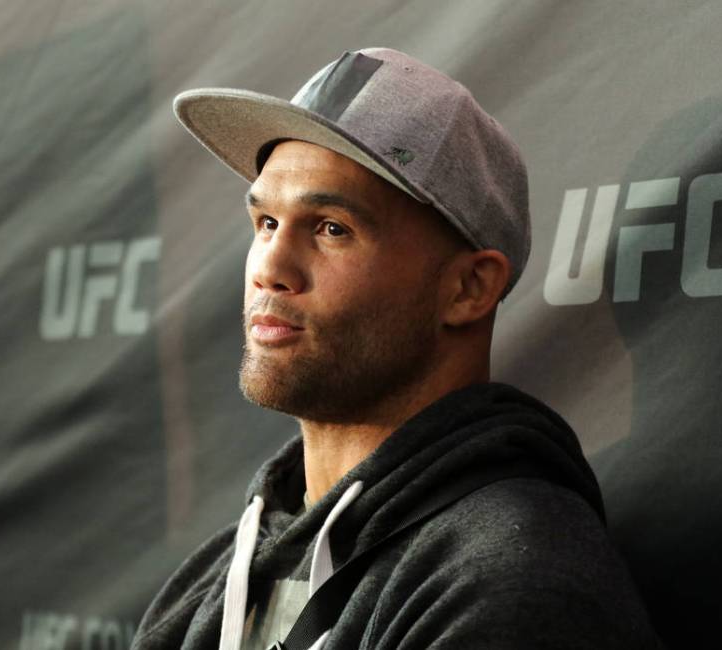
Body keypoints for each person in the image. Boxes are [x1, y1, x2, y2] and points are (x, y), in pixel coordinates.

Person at [132, 48, 659, 650]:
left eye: (332, 227)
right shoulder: (213, 578)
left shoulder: (512, 581)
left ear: (468, 288)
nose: (270, 269)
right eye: (266, 223)